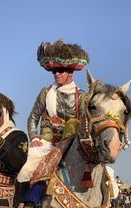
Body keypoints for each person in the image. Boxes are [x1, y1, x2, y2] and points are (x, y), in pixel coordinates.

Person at [17, 39, 89, 186]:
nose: (56, 74)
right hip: (47, 143)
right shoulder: (45, 92)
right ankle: (23, 204)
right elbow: (33, 117)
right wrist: (34, 137)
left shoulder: (82, 96)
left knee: (104, 175)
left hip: (73, 145)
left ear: (71, 72)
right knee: (25, 164)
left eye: (60, 70)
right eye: (54, 71)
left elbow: (85, 123)